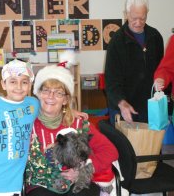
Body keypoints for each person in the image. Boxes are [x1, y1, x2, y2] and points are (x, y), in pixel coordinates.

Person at [24, 63, 119, 196]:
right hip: (41, 185)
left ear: (65, 100)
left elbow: (110, 151)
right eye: (46, 90)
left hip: (77, 183)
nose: (51, 96)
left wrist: (84, 169)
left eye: (58, 93)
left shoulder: (79, 124)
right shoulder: (26, 124)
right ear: (38, 94)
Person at [0, 59, 40, 196]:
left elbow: (50, 111)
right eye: (13, 81)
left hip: (15, 185)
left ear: (30, 85)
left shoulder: (33, 104)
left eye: (24, 82)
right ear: (3, 84)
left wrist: (69, 111)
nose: (19, 87)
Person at [105, 0, 164, 124]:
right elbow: (111, 82)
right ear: (126, 14)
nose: (138, 22)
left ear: (147, 14)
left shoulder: (155, 37)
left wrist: (162, 81)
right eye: (134, 18)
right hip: (125, 108)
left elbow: (162, 69)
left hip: (151, 107)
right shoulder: (117, 42)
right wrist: (121, 102)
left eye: (142, 18)